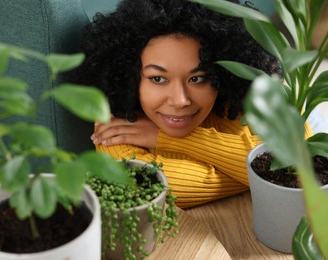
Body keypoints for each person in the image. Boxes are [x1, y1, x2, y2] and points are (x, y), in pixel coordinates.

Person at [74, 0, 282, 208]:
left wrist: (165, 138)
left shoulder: (240, 98)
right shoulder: (115, 124)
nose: (180, 101)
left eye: (197, 78)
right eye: (157, 79)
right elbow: (142, 187)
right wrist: (256, 176)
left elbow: (301, 157)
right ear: (130, 74)